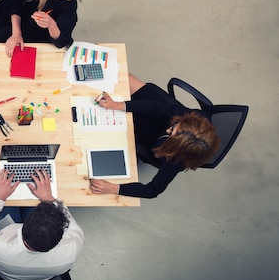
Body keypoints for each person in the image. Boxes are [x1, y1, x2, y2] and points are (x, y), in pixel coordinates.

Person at [90, 74, 221, 198]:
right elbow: (156, 107)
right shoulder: (196, 118)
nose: (168, 129)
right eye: (175, 127)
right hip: (166, 111)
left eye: (171, 133)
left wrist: (114, 188)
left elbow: (152, 190)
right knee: (128, 78)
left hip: (151, 136)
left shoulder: (175, 162)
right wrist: (118, 105)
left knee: (104, 132)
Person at [0, 169, 84, 280]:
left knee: (9, 203)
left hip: (6, 274)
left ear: (22, 227)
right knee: (36, 202)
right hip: (41, 277)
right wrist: (49, 198)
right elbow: (68, 220)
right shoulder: (73, 247)